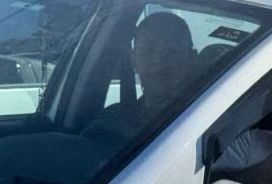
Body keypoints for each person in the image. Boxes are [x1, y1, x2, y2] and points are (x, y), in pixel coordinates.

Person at [83, 12, 196, 140]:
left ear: (190, 59)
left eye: (172, 50)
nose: (158, 59)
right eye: (148, 50)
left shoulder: (206, 120)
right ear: (133, 59)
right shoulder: (111, 121)